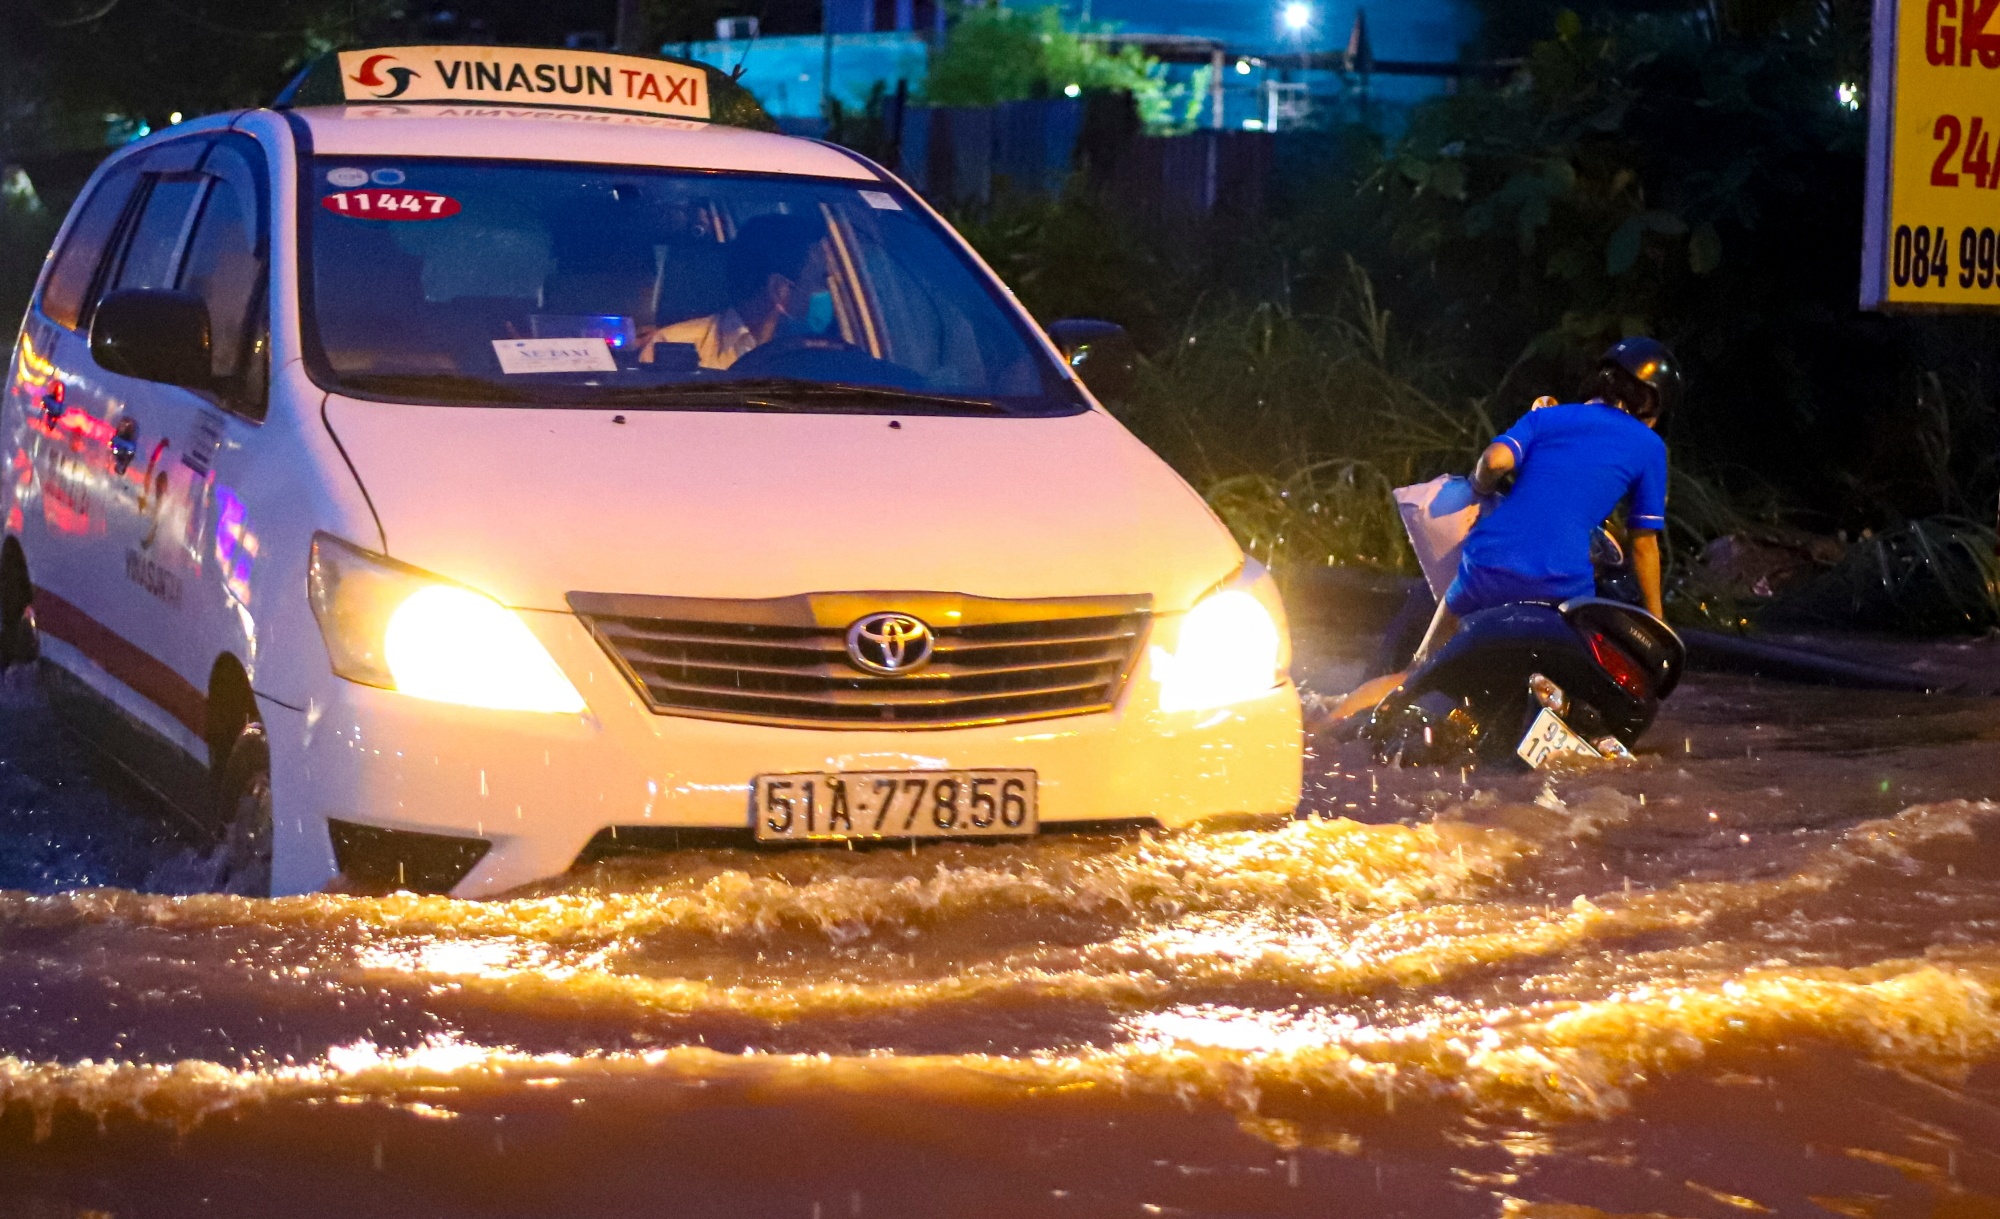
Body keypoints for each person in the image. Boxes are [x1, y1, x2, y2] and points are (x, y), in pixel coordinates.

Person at [1410, 336, 1678, 667]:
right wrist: (1657, 625)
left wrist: (1478, 489)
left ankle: (1356, 710)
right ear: (1650, 402)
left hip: (1488, 568)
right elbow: (1644, 545)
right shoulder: (1650, 446)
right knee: (1567, 678)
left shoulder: (1546, 416)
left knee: (1423, 667)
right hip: (1562, 585)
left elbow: (1493, 462)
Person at [641, 212, 827, 370]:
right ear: (780, 289)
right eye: (820, 280)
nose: (827, 292)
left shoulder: (819, 356)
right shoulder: (670, 343)